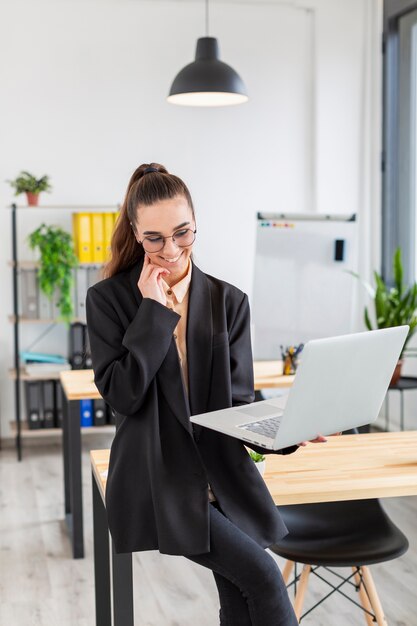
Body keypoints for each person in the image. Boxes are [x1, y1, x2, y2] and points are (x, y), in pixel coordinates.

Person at [86, 162, 324, 626]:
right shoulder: (109, 300)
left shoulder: (227, 301)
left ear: (196, 224)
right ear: (135, 231)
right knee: (262, 577)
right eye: (154, 238)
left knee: (239, 592)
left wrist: (290, 428)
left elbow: (237, 406)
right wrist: (154, 312)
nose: (171, 250)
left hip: (223, 475)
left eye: (183, 233)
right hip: (160, 481)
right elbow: (123, 397)